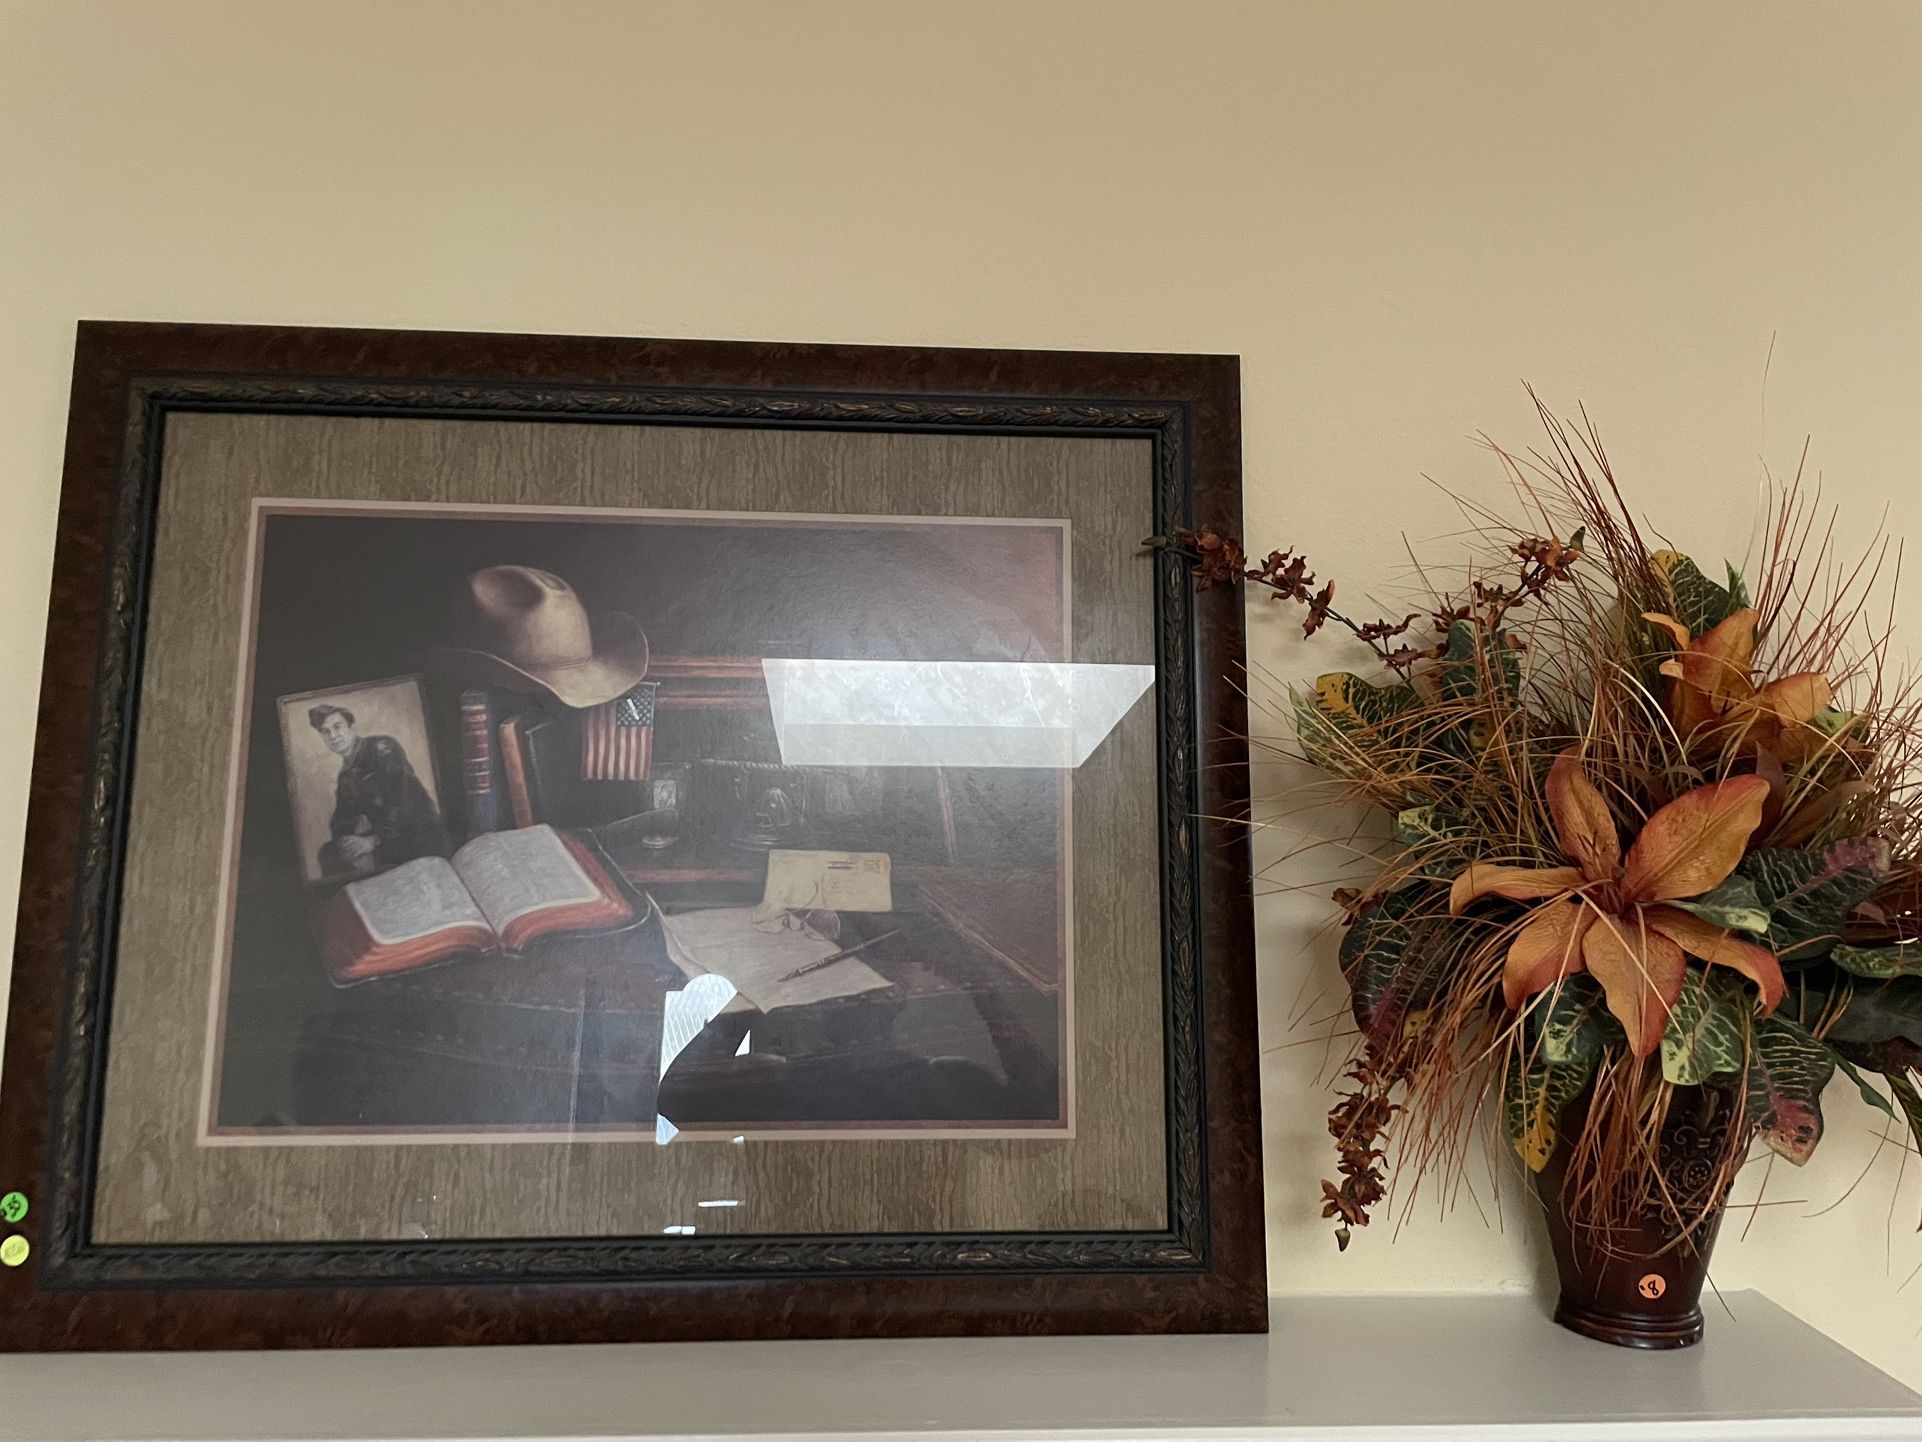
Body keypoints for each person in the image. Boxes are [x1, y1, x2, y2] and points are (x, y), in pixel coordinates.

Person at [309, 704, 448, 877]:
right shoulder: (345, 777)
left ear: (352, 727)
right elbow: (341, 819)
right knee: (329, 853)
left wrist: (372, 841)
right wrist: (347, 841)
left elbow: (400, 803)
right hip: (385, 839)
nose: (333, 736)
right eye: (326, 732)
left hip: (415, 833)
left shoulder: (382, 748)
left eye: (338, 727)